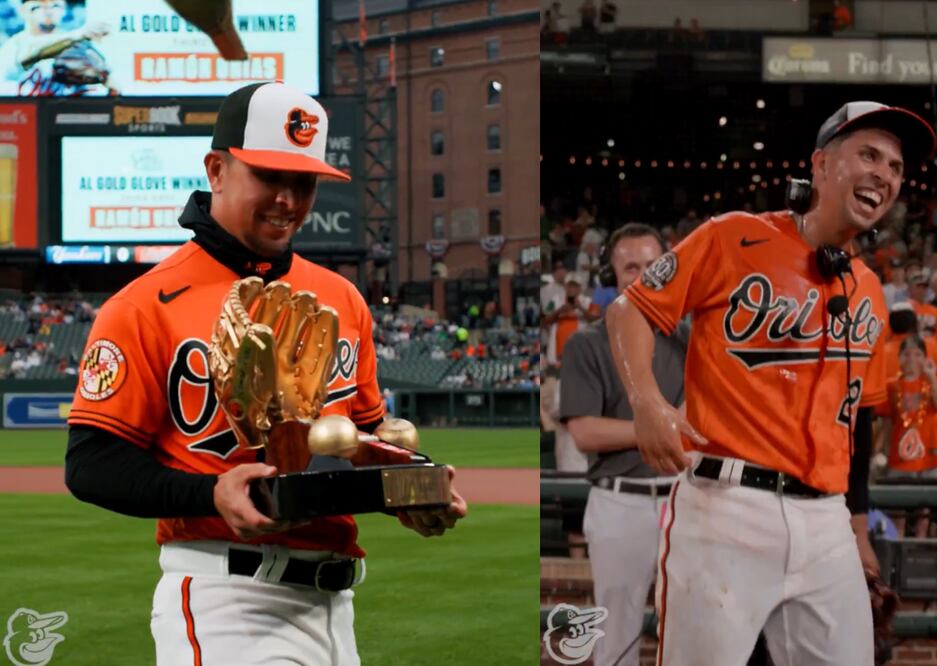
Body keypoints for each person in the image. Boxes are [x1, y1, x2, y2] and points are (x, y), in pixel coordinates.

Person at [64, 82, 467, 665]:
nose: (288, 199)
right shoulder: (144, 304)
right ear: (217, 169)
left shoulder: (341, 298)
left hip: (335, 606)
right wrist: (208, 493)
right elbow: (90, 464)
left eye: (302, 183)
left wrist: (410, 491)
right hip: (226, 598)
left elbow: (362, 445)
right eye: (269, 177)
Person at [605, 101, 936, 664]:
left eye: (897, 167)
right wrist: (648, 402)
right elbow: (629, 312)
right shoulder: (734, 237)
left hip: (827, 521)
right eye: (869, 155)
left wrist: (856, 532)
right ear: (823, 165)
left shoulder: (872, 291)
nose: (885, 173)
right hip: (725, 506)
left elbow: (854, 425)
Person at [560, 223, 686, 666]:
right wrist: (662, 426)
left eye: (653, 265)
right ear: (613, 275)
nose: (643, 274)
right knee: (616, 637)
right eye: (631, 266)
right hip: (619, 502)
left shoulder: (691, 339)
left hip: (687, 499)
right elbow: (584, 433)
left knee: (694, 633)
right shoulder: (587, 343)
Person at [874, 335, 937, 537]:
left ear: (925, 358)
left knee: (924, 511)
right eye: (906, 353)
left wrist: (931, 376)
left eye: (918, 354)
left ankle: (920, 545)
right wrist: (878, 450)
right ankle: (898, 549)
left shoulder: (933, 381)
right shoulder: (892, 385)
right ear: (899, 358)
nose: (912, 359)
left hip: (928, 455)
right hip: (900, 458)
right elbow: (888, 420)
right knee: (898, 510)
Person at [0, 0, 113, 95]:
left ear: (64, 10)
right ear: (23, 11)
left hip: (68, 114)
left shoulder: (78, 45)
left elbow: (108, 82)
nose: (48, 11)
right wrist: (78, 35)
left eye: (55, 5)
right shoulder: (13, 46)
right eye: (38, 6)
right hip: (24, 115)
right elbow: (29, 52)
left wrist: (107, 82)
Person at [907, 267, 937, 361]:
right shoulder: (903, 309)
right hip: (910, 358)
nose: (922, 291)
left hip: (933, 358)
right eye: (918, 287)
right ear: (909, 289)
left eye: (924, 287)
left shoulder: (936, 312)